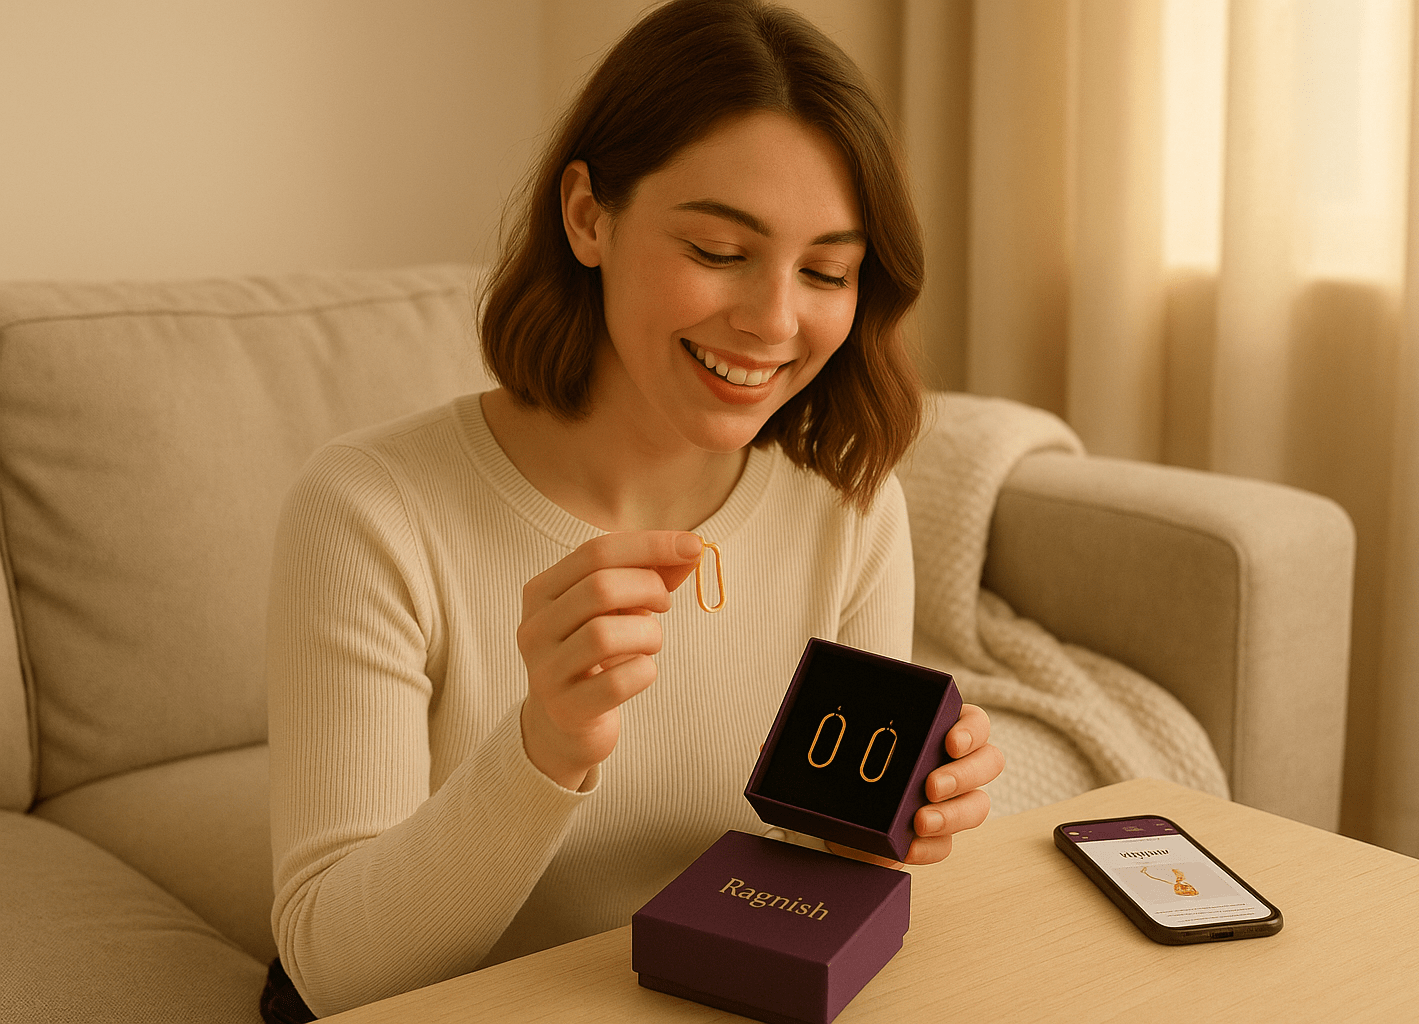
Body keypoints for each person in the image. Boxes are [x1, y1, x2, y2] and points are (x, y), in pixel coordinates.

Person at [263, 0, 1004, 1019]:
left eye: (826, 270)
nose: (776, 321)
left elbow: (814, 871)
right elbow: (332, 970)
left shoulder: (848, 509)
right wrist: (545, 743)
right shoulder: (368, 511)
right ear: (587, 216)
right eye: (717, 250)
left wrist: (895, 816)